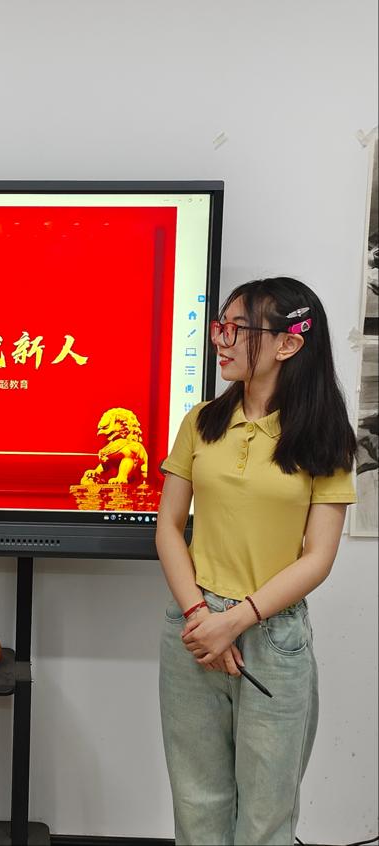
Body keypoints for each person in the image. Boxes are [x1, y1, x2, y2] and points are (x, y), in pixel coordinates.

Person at [156, 276, 357, 846]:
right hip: (193, 627)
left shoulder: (323, 438)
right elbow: (168, 528)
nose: (221, 340)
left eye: (237, 329)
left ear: (288, 344)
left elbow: (318, 558)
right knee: (197, 804)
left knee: (266, 816)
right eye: (221, 326)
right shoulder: (201, 422)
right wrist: (202, 617)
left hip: (272, 635)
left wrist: (235, 621)